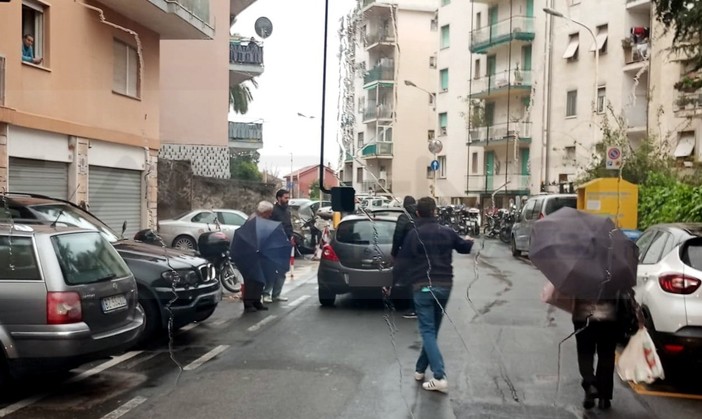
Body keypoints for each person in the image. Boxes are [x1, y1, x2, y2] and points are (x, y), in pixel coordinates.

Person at [389, 197, 473, 393]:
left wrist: (393, 284)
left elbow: (401, 263)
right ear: (435, 211)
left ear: (417, 213)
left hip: (423, 287)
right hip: (445, 286)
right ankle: (419, 370)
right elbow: (464, 247)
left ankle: (439, 376)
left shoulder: (413, 235)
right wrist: (470, 241)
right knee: (432, 331)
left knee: (427, 331)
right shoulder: (446, 232)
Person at [572, 283, 622, 410]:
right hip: (609, 314)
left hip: (584, 314)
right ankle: (604, 398)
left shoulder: (581, 265)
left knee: (585, 353)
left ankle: (590, 385)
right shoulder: (615, 265)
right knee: (606, 355)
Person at [238, 201, 275, 313]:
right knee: (251, 279)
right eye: (268, 213)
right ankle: (249, 303)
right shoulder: (253, 221)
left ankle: (256, 301)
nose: (270, 215)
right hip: (249, 254)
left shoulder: (261, 220)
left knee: (259, 279)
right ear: (263, 212)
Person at [262, 189, 292, 303]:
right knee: (271, 269)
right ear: (279, 198)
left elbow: (288, 226)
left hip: (286, 244)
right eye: (285, 197)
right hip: (274, 245)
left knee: (282, 270)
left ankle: (276, 294)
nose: (287, 199)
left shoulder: (287, 211)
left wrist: (292, 237)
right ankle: (266, 293)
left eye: (288, 197)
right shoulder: (273, 211)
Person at [391, 195, 418, 319]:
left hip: (409, 254)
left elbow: (397, 237)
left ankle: (413, 308)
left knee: (410, 281)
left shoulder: (403, 218)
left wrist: (395, 253)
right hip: (424, 252)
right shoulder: (420, 215)